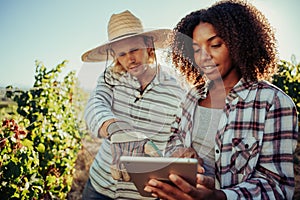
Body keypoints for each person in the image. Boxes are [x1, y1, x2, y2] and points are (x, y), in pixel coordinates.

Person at [144, 0, 299, 199]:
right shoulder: (191, 97)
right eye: (196, 50)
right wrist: (179, 154)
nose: (203, 58)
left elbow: (276, 186)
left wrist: (219, 196)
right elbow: (173, 140)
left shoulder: (273, 103)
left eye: (215, 44)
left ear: (239, 44)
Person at [81, 10, 185, 199]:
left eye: (134, 50)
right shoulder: (110, 78)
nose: (130, 59)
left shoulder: (175, 88)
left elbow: (179, 135)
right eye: (122, 54)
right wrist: (115, 129)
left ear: (148, 46)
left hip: (143, 193)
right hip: (100, 186)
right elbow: (95, 104)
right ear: (115, 56)